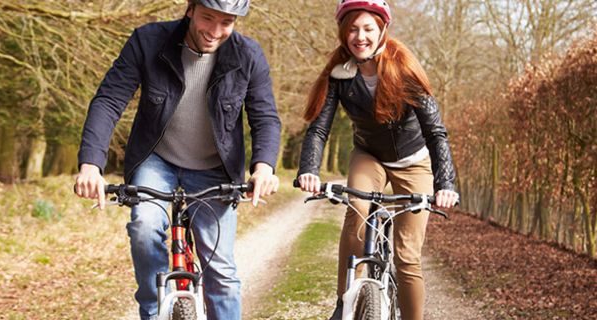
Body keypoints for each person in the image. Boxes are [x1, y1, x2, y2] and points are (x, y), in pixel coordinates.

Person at [74, 0, 280, 319]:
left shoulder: (248, 55)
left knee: (221, 272)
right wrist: (91, 164)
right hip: (156, 160)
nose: (214, 31)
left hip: (215, 170)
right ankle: (153, 308)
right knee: (144, 227)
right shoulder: (148, 40)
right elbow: (109, 100)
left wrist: (263, 167)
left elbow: (265, 117)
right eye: (207, 18)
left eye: (226, 22)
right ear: (190, 10)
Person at [296, 1, 459, 319]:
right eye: (353, 29)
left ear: (382, 30)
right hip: (369, 155)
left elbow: (436, 133)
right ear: (344, 32)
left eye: (368, 29)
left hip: (413, 160)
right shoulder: (339, 75)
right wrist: (309, 170)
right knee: (356, 211)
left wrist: (446, 184)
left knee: (407, 255)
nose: (360, 36)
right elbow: (318, 129)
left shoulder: (405, 69)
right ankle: (344, 301)